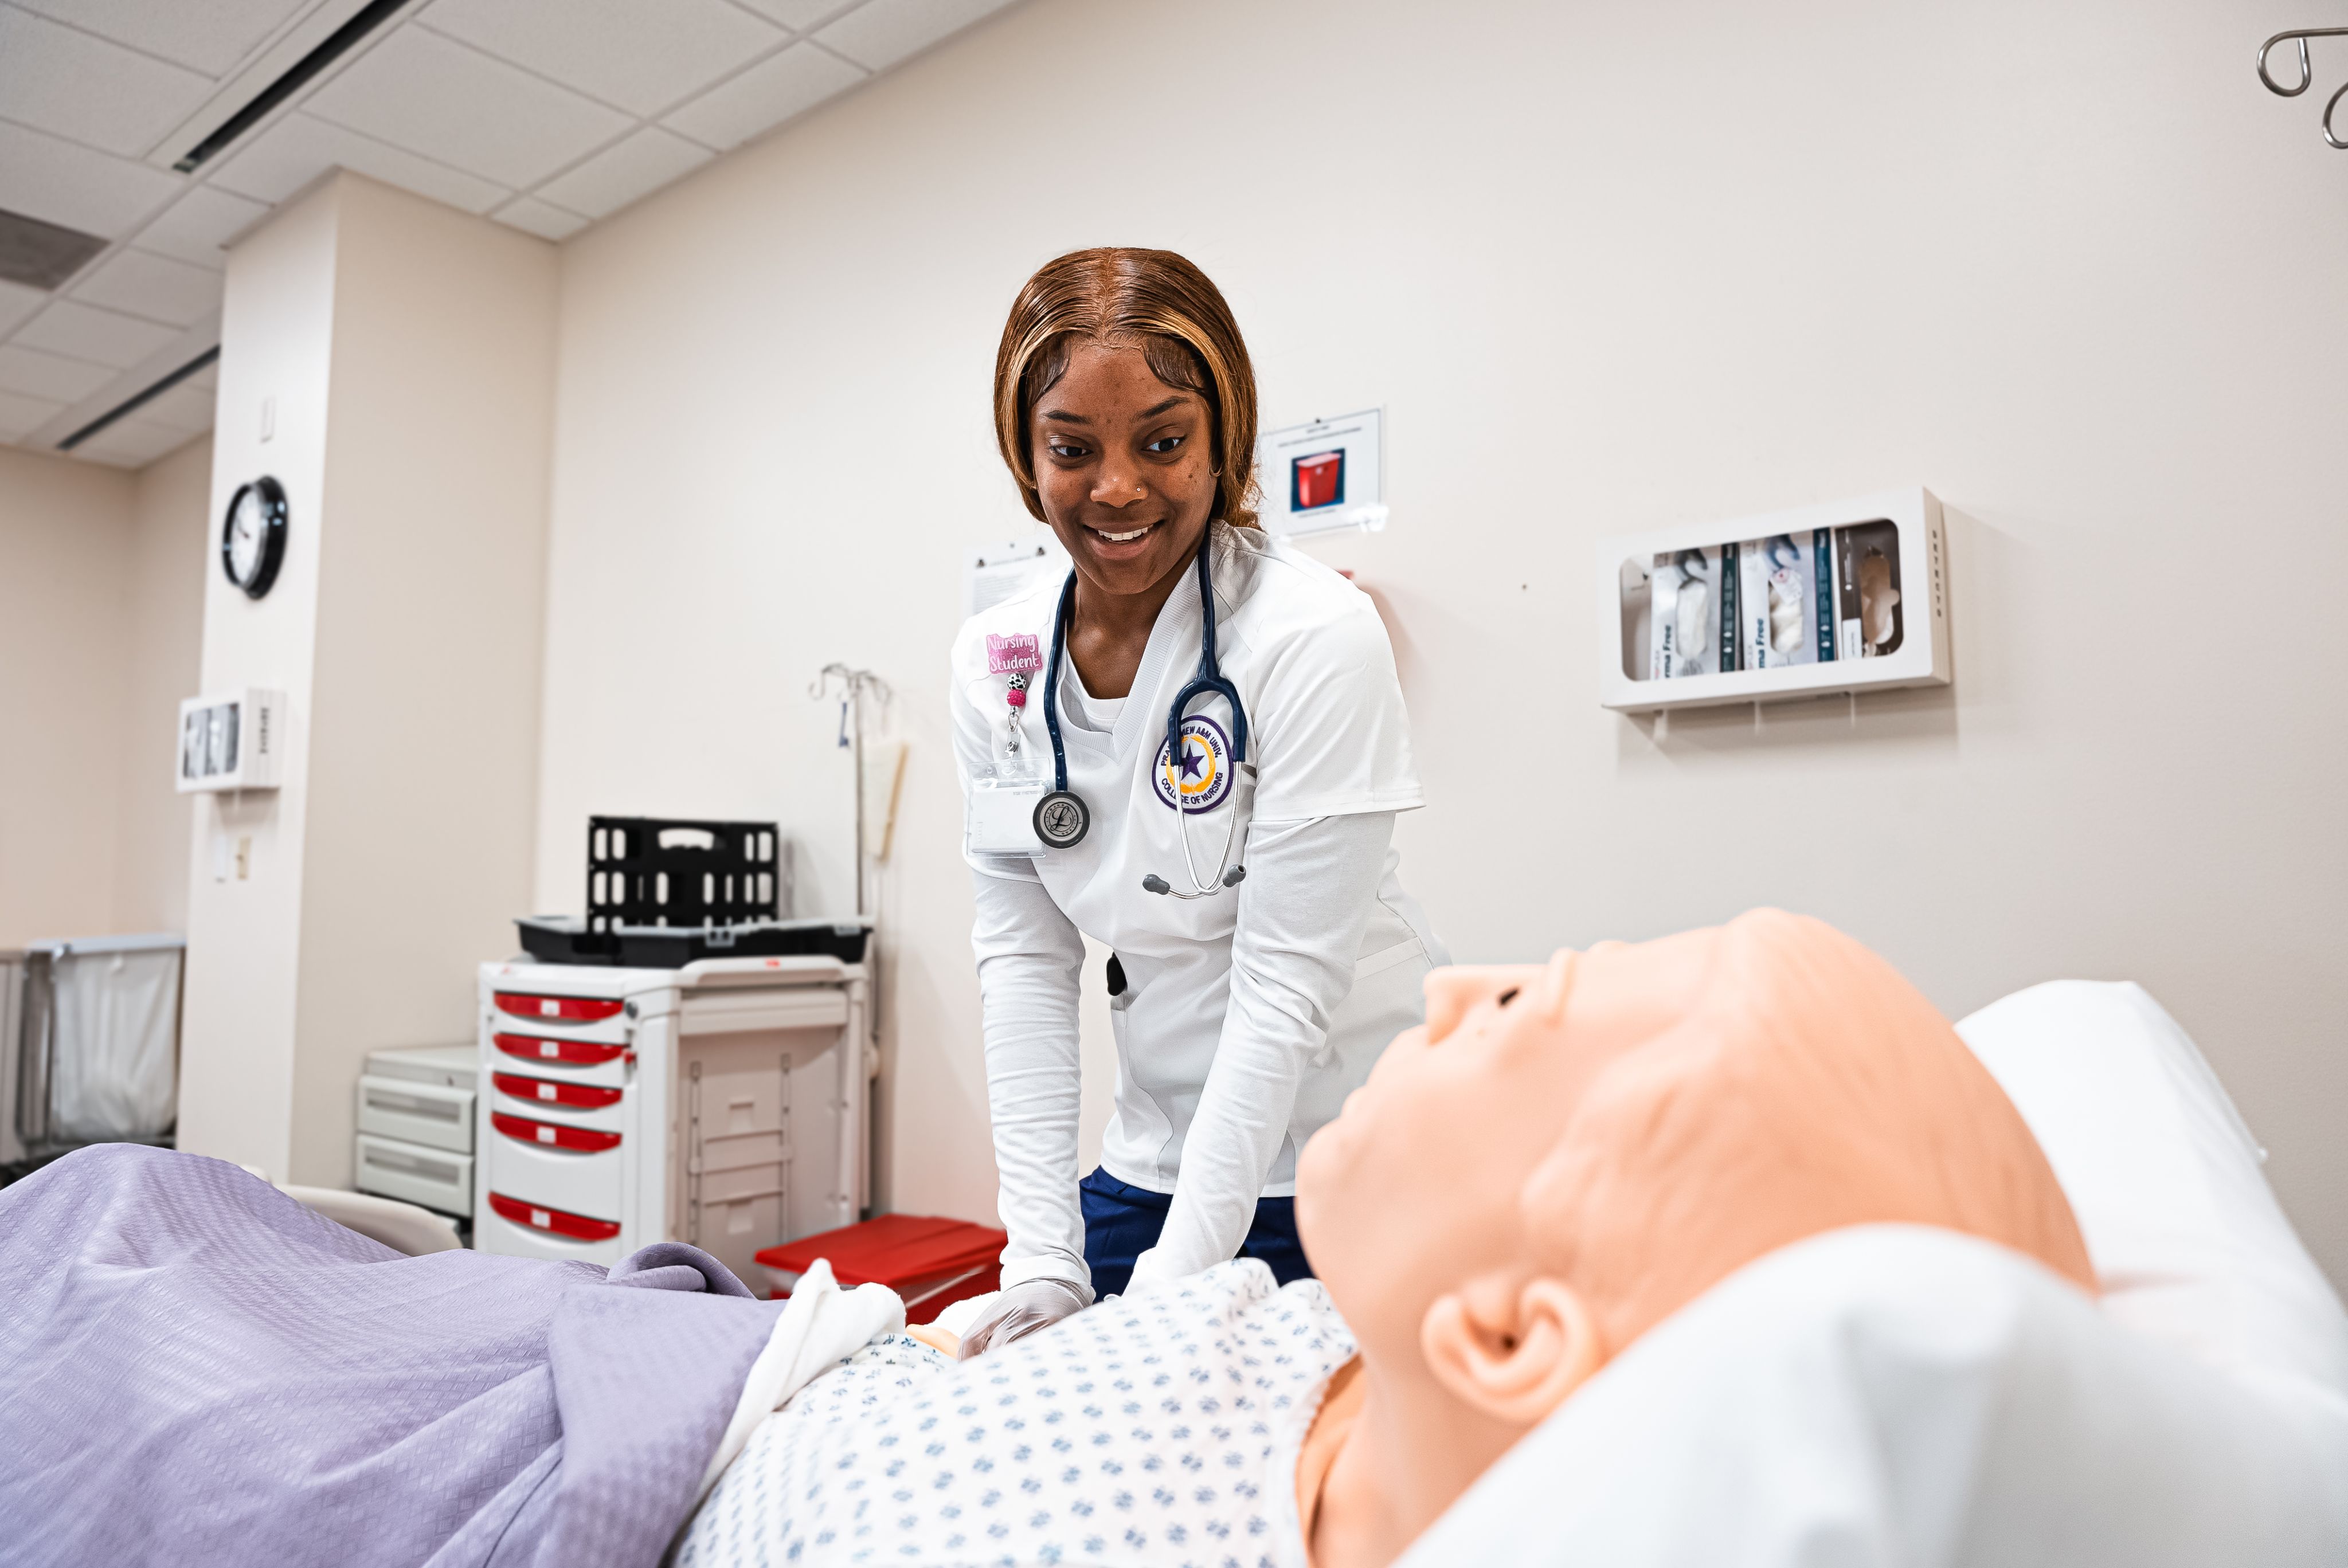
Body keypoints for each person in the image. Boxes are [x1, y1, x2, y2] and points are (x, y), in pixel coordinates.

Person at [676, 910, 2097, 1566]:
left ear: (1499, 1335)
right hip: (758, 1371)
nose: (1447, 983)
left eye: (1508, 1013)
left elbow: (1289, 972)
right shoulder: (1337, 1345)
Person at [948, 248, 1443, 1354]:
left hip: (1363, 1154)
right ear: (1027, 460)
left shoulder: (1312, 635)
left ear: (1225, 445)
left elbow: (1282, 987)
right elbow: (1026, 966)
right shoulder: (1001, 664)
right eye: (1073, 449)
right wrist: (1042, 1256)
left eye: (1163, 442)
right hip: (1161, 1157)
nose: (1117, 487)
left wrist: (1173, 1293)